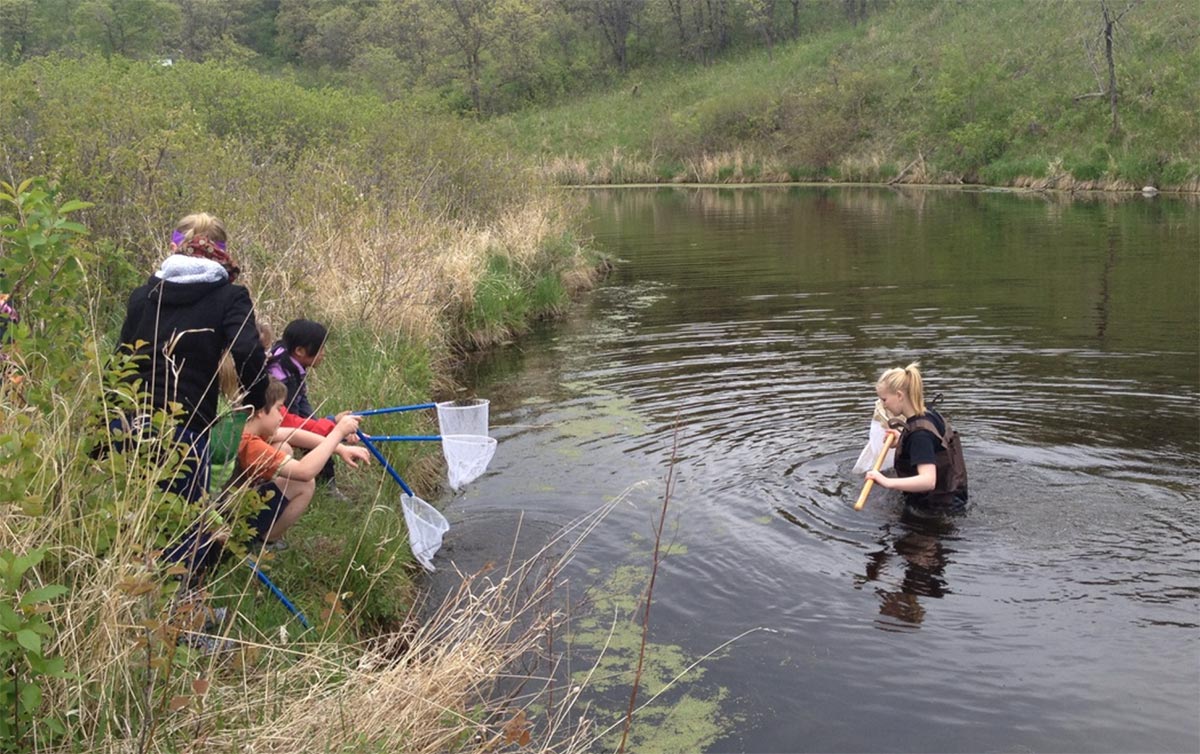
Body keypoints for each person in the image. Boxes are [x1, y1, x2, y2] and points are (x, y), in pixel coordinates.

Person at [116, 213, 268, 575]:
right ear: (220, 253)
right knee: (183, 526)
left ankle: (126, 614)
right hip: (186, 427)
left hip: (129, 424)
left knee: (134, 524)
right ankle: (182, 622)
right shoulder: (229, 296)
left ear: (175, 246)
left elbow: (120, 361)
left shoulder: (144, 294)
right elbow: (248, 351)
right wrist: (257, 395)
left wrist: (104, 428)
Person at [234, 380, 366, 549]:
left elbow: (291, 433)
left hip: (227, 502)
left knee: (284, 446)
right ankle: (264, 542)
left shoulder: (241, 426)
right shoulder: (250, 446)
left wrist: (340, 448)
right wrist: (338, 432)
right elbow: (304, 471)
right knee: (304, 484)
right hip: (230, 519)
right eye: (278, 408)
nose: (282, 416)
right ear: (260, 411)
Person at [864, 362, 968, 513]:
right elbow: (933, 447)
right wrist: (902, 440)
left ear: (899, 395)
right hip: (954, 496)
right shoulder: (928, 414)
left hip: (936, 510)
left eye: (884, 399)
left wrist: (886, 482)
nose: (883, 405)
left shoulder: (920, 435)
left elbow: (928, 481)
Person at [266, 319, 350, 497]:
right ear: (300, 351)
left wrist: (326, 427)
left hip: (288, 423)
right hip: (278, 431)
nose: (323, 354)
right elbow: (290, 423)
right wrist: (331, 425)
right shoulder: (281, 381)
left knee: (317, 429)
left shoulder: (290, 363)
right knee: (314, 438)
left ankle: (326, 482)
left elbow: (305, 412)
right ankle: (325, 487)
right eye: (319, 350)